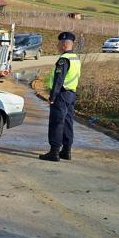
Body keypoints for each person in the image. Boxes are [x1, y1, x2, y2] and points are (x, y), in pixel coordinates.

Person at [39, 31, 81, 162]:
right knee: (68, 122)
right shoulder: (75, 58)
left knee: (57, 122)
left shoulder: (64, 60)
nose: (57, 45)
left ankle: (54, 152)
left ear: (63, 44)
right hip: (71, 94)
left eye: (59, 43)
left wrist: (52, 97)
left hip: (61, 95)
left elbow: (59, 80)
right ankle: (66, 151)